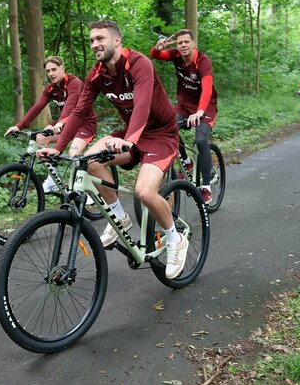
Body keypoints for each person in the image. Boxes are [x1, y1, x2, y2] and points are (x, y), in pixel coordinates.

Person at [37, 20, 188, 279]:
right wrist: (58, 147)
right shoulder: (97, 73)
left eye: (100, 39)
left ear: (117, 40)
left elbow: (141, 104)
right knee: (89, 161)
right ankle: (119, 216)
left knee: (144, 191)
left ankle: (175, 239)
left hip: (160, 134)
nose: (95, 44)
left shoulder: (140, 64)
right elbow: (79, 111)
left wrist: (130, 138)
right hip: (130, 134)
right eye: (92, 40)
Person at [4, 56, 96, 193]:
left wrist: (59, 122)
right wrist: (19, 126)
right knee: (41, 138)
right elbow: (38, 107)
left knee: (74, 153)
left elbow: (70, 107)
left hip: (84, 124)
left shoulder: (74, 83)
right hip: (65, 123)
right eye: (48, 71)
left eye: (54, 69)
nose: (51, 74)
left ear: (62, 69)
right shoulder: (51, 88)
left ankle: (87, 190)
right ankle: (53, 179)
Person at [150, 29, 218, 204]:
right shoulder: (176, 55)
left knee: (201, 139)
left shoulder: (203, 61)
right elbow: (155, 55)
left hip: (206, 106)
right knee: (169, 129)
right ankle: (186, 161)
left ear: (193, 44)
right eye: (180, 43)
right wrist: (158, 48)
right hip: (185, 105)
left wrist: (200, 112)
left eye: (186, 42)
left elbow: (207, 89)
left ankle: (205, 186)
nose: (183, 45)